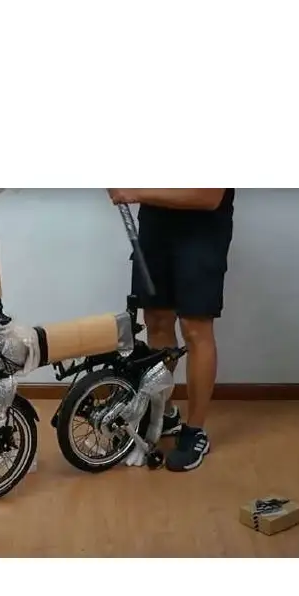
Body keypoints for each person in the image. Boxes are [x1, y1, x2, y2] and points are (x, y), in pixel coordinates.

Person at [106, 188, 234, 472]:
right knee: (157, 320)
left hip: (202, 230)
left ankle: (195, 431)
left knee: (194, 327)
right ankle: (164, 414)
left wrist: (134, 191)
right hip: (156, 223)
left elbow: (209, 197)